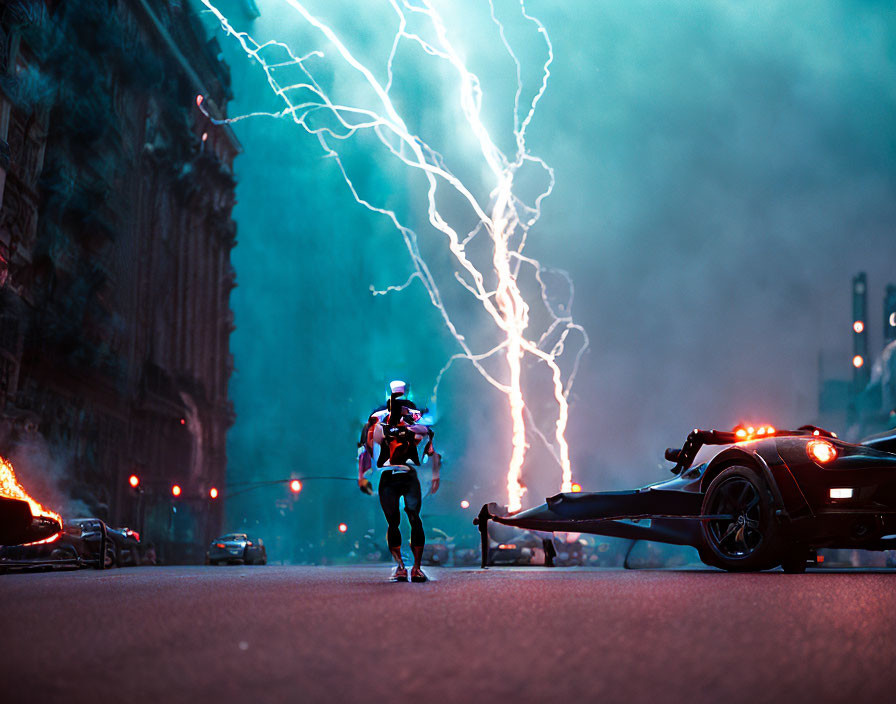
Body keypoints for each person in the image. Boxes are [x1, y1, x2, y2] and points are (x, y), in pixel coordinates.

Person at [358, 380, 440, 582]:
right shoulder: (378, 420)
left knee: (414, 517)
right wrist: (362, 475)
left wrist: (436, 474)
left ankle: (417, 567)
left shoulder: (413, 419)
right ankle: (401, 566)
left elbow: (429, 444)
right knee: (392, 522)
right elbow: (366, 444)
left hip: (408, 475)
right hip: (389, 477)